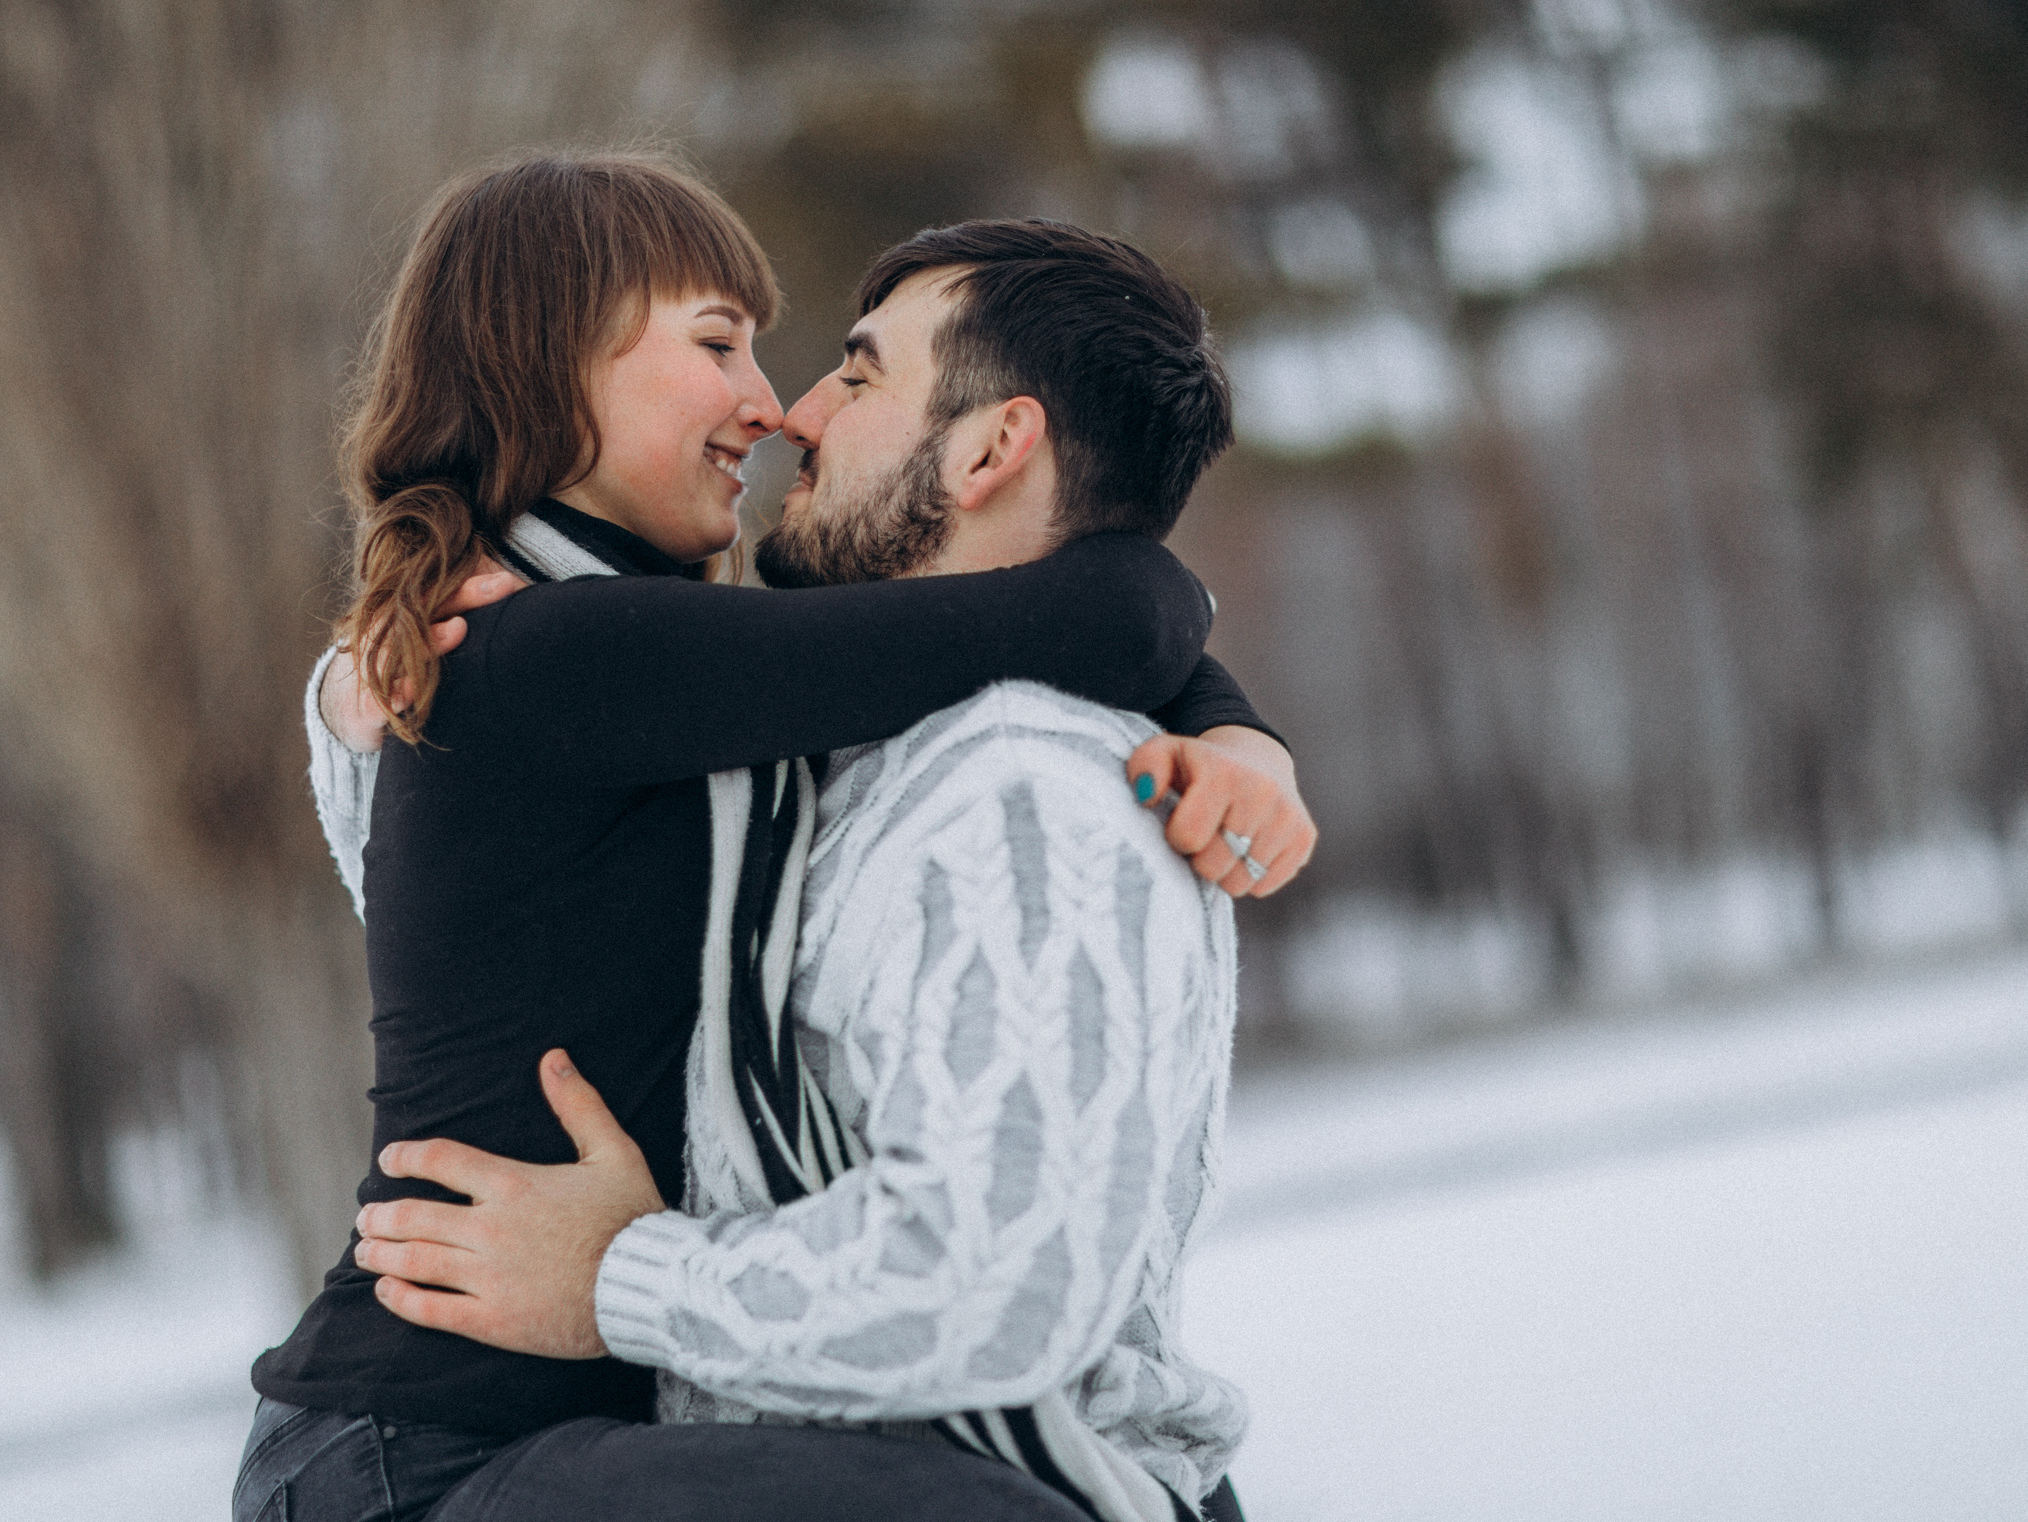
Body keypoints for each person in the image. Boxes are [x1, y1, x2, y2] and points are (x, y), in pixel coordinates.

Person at [233, 155, 1310, 1522]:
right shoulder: (548, 653)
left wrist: (1222, 718)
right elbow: (1093, 614)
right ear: (547, 364)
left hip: (577, 1433)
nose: (777, 402)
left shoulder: (721, 685)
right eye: (717, 342)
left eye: (836, 371)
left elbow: (1024, 628)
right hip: (419, 1456)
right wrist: (1182, 637)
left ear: (993, 446)